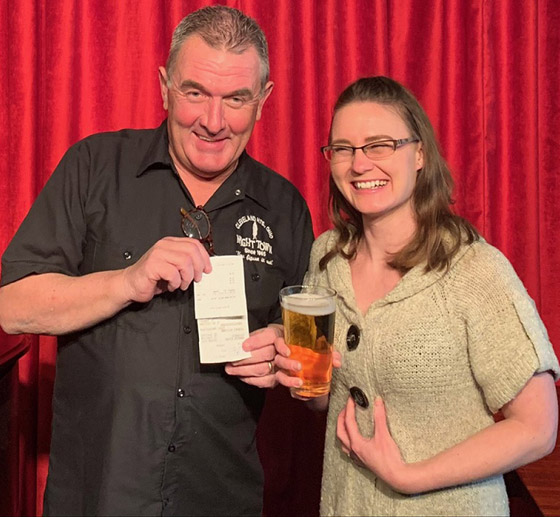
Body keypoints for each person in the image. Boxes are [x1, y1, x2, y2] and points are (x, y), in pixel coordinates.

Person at [0, 6, 314, 516]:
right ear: (165, 87)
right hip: (99, 498)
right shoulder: (95, 167)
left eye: (236, 99)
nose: (214, 122)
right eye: (195, 93)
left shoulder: (285, 207)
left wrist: (282, 349)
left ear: (264, 100)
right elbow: (12, 306)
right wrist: (126, 281)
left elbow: (308, 357)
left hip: (220, 498)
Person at [275, 76, 559, 516]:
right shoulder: (327, 257)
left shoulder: (472, 268)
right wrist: (300, 376)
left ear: (420, 154)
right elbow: (323, 400)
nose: (359, 164)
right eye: (344, 149)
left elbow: (538, 428)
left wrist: (409, 476)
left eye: (380, 145)